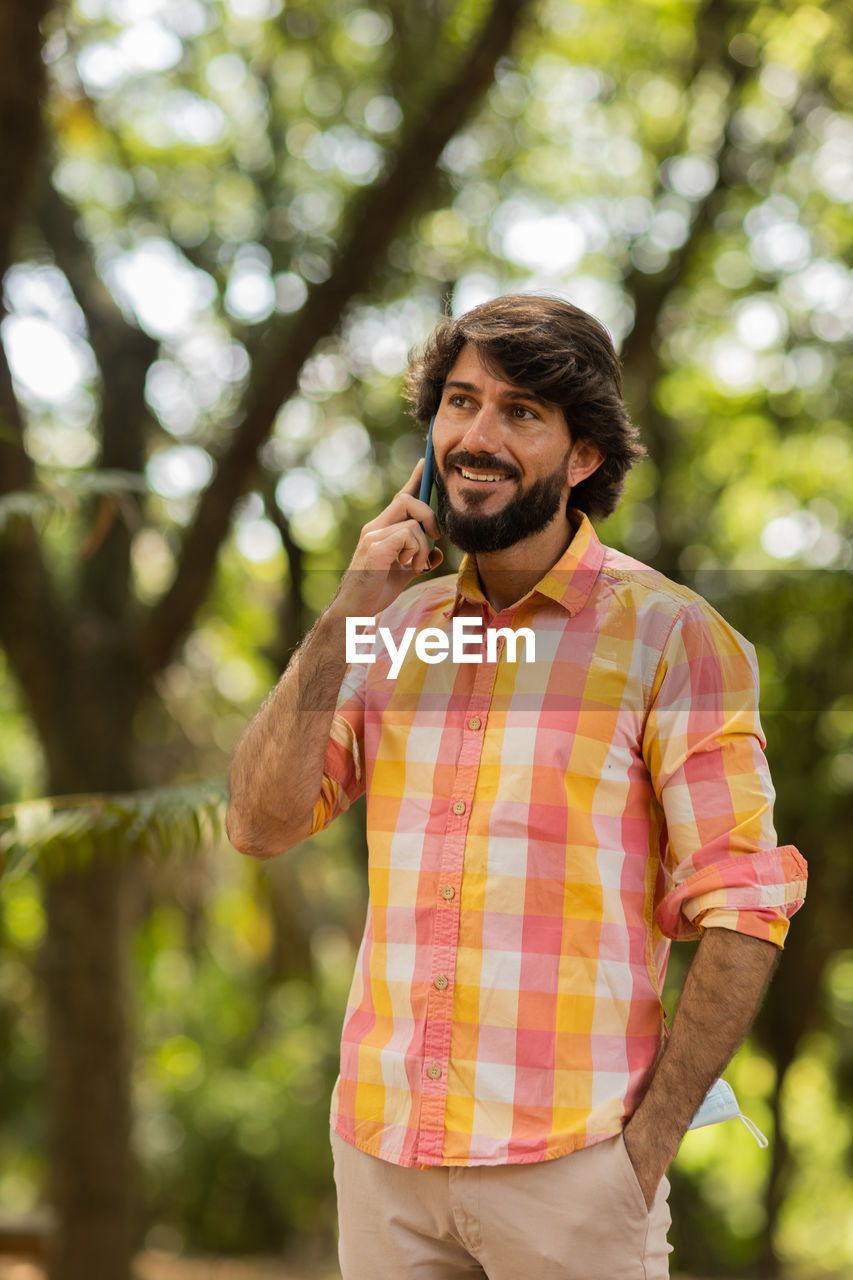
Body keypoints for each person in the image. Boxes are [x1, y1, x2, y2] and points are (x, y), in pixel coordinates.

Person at [227, 294, 807, 1279]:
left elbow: (744, 909)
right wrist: (347, 610)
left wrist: (642, 1152)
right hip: (383, 1160)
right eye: (459, 402)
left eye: (520, 412)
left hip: (572, 1172)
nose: (475, 436)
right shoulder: (394, 627)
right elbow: (260, 819)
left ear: (584, 454)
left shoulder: (672, 638)